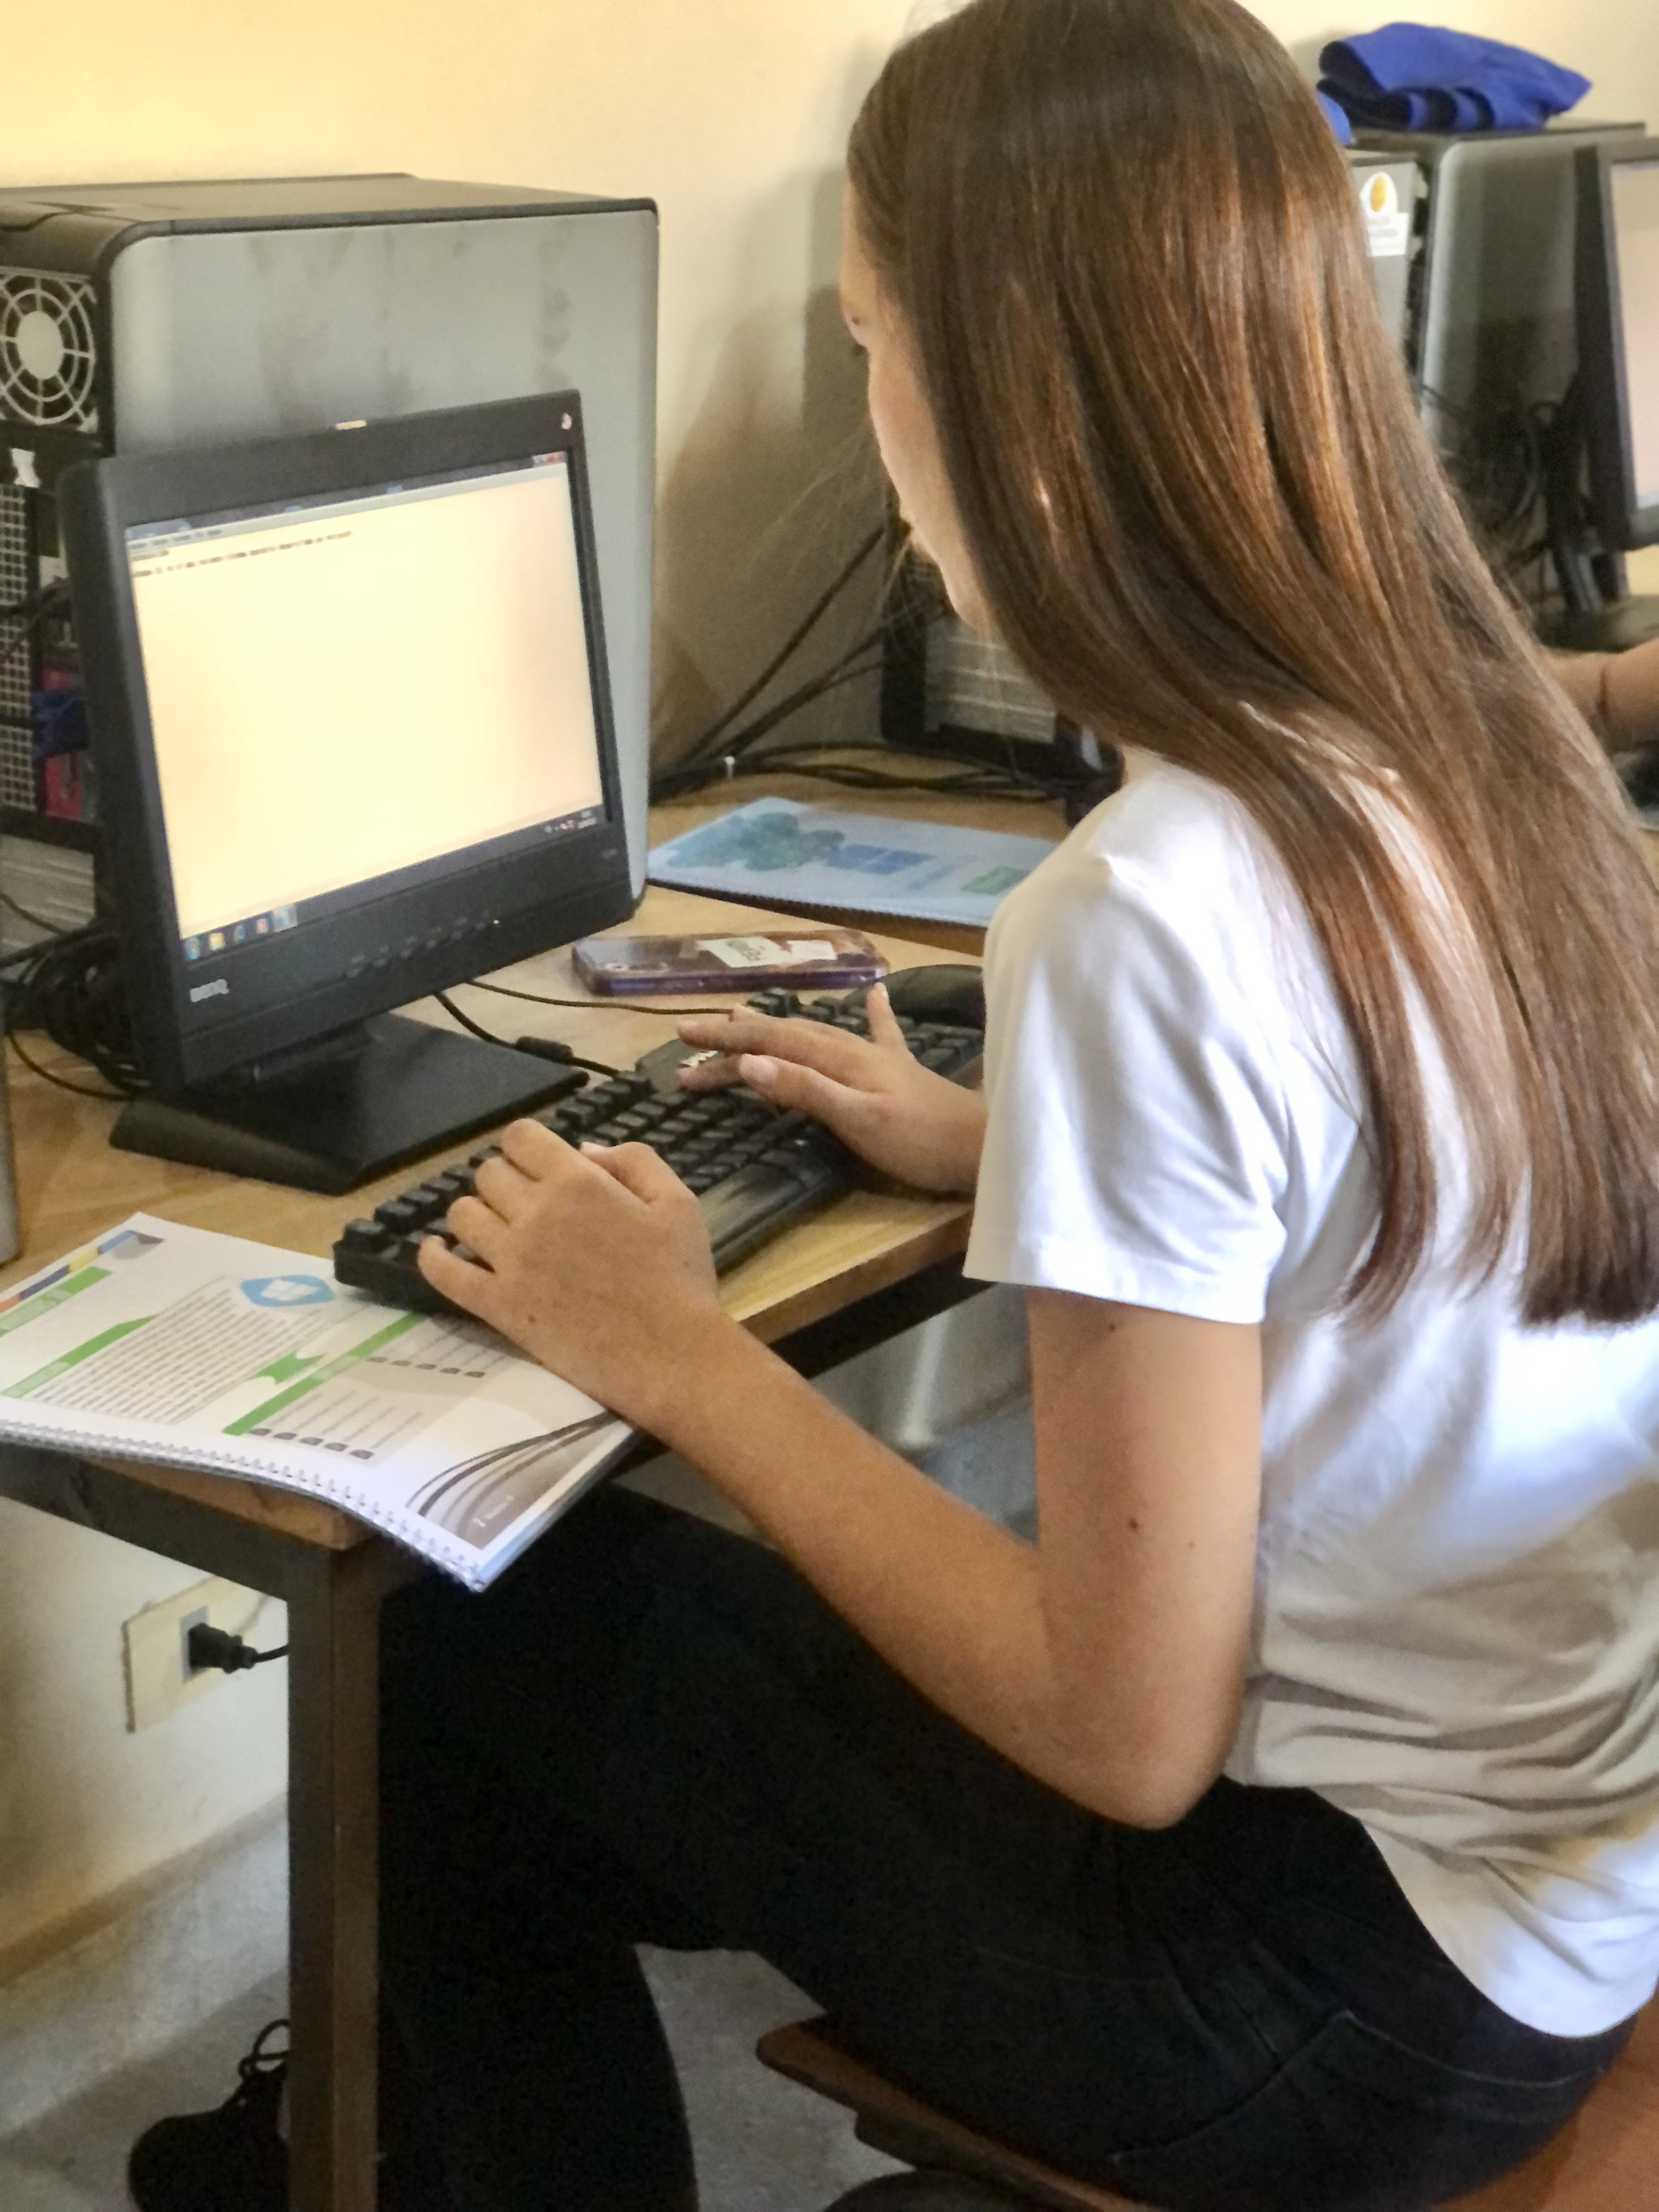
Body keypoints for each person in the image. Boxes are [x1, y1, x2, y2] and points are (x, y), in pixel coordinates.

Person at [373, 4, 1659, 2209]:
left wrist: (676, 1357)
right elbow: (1399, 1173)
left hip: (1313, 2003)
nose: (875, 428)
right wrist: (1023, 1149)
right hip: (1551, 1920)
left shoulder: (1150, 902)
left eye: (873, 346)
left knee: (450, 1647)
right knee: (611, 1677)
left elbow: (1122, 1736)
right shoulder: (1493, 740)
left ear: (1002, 405)